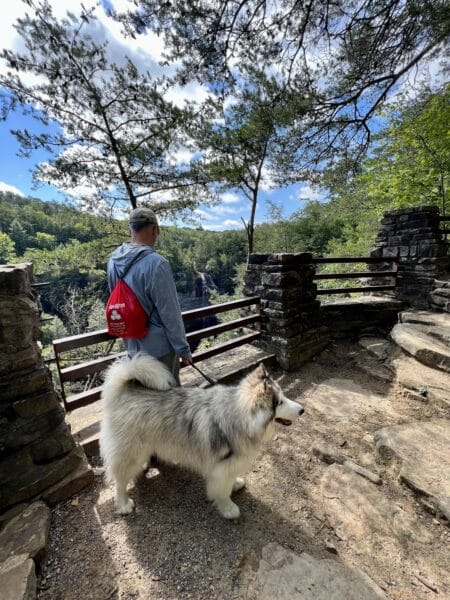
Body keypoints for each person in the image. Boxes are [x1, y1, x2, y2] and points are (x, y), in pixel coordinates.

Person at [107, 207, 192, 385]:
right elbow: (170, 312)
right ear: (154, 229)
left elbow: (117, 301)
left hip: (132, 349)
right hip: (159, 351)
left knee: (145, 404)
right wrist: (183, 350)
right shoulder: (157, 263)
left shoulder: (112, 262)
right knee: (169, 401)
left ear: (131, 229)